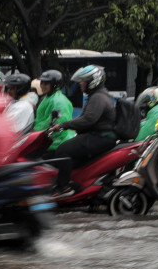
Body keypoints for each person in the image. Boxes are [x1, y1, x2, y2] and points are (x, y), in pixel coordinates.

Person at [49, 64, 117, 192]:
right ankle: (78, 183)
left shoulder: (98, 97)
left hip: (100, 137)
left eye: (83, 81)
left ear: (93, 82)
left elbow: (87, 120)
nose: (81, 84)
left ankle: (63, 187)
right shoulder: (98, 95)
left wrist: (63, 125)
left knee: (63, 150)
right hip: (99, 136)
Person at [34, 69, 75, 150]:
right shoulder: (47, 97)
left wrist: (35, 131)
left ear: (55, 84)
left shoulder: (58, 101)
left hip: (57, 142)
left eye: (46, 83)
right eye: (41, 83)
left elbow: (56, 123)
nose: (42, 86)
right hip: (45, 139)